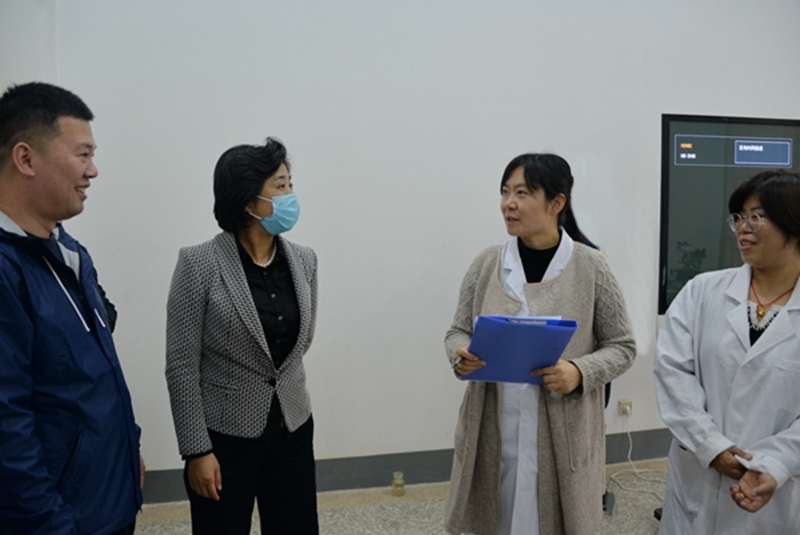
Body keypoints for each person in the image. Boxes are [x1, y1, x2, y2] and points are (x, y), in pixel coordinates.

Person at [444, 153, 636, 535]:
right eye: (505, 192)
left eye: (522, 193)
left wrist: (579, 371)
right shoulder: (486, 263)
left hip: (561, 434)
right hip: (494, 425)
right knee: (493, 517)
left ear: (556, 202)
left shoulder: (591, 266)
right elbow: (457, 331)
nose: (508, 204)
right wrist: (459, 354)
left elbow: (623, 345)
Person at [0, 82, 143, 534]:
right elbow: (7, 426)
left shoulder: (67, 249)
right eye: (83, 155)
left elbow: (88, 376)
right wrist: (52, 525)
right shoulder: (6, 270)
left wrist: (127, 449)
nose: (93, 171)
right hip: (60, 521)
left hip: (107, 499)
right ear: (26, 159)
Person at [165, 137, 319, 535]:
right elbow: (181, 365)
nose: (291, 195)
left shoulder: (304, 260)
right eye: (280, 186)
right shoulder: (198, 263)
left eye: (290, 184)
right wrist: (196, 450)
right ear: (249, 202)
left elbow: (301, 343)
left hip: (292, 428)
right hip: (224, 440)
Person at [654, 170, 800, 534]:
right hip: (697, 478)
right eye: (739, 217)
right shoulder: (702, 291)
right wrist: (710, 444)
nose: (742, 229)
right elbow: (673, 370)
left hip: (777, 493)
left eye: (757, 217)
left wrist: (777, 462)